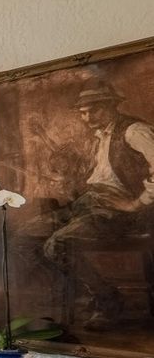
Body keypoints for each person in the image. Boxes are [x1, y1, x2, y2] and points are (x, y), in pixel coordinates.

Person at [42, 80, 154, 326]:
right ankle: (86, 296)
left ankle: (107, 300)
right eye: (83, 111)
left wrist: (136, 203)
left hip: (122, 213)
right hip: (91, 202)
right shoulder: (99, 136)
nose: (88, 116)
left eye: (95, 109)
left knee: (57, 244)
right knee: (24, 235)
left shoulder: (134, 131)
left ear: (112, 106)